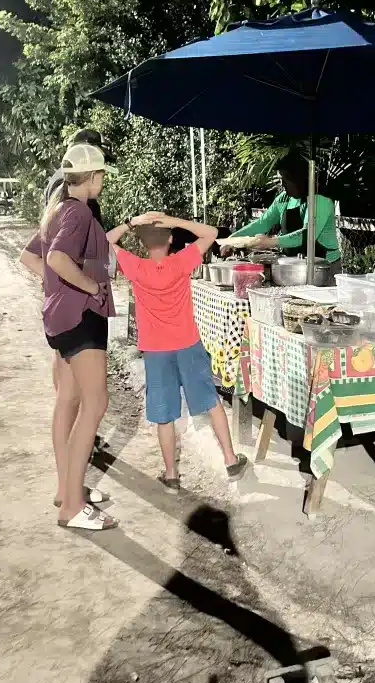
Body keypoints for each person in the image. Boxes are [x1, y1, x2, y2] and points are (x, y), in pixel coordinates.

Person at [21, 142, 127, 531]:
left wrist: (57, 289)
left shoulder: (59, 210)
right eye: (102, 176)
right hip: (82, 319)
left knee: (69, 399)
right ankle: (72, 507)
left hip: (61, 319)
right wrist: (86, 286)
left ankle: (68, 490)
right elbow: (56, 259)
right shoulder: (80, 212)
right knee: (95, 403)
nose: (103, 183)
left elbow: (30, 257)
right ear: (94, 177)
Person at [107, 212, 248, 492]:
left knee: (164, 413)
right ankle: (231, 460)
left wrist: (132, 223)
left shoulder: (135, 266)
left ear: (142, 244)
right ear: (171, 239)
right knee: (210, 401)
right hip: (187, 343)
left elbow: (103, 242)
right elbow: (210, 233)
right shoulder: (181, 262)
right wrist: (174, 221)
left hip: (156, 351)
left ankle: (171, 474)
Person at [221, 150, 341, 279]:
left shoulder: (319, 200)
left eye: (285, 179)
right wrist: (232, 239)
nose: (282, 185)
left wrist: (270, 242)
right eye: (280, 179)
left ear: (299, 178)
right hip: (294, 266)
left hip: (323, 268)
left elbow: (307, 235)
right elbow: (262, 223)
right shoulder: (284, 199)